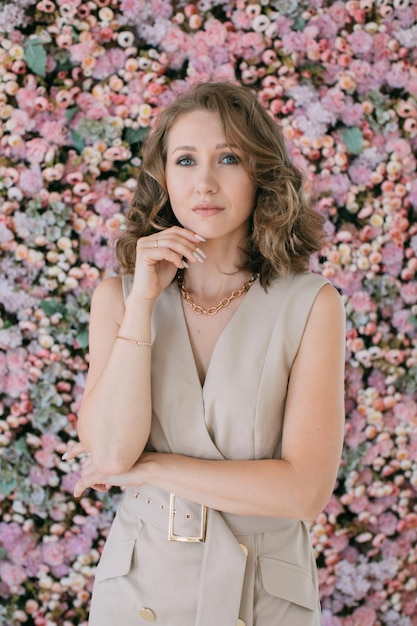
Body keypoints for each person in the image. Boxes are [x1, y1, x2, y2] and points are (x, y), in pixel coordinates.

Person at [66, 81, 346, 626]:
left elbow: (303, 492)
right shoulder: (118, 299)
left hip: (264, 591)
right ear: (164, 177)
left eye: (230, 158)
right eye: (186, 160)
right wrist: (144, 300)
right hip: (138, 588)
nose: (206, 182)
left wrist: (151, 470)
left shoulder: (312, 304)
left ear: (261, 172)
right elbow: (110, 451)